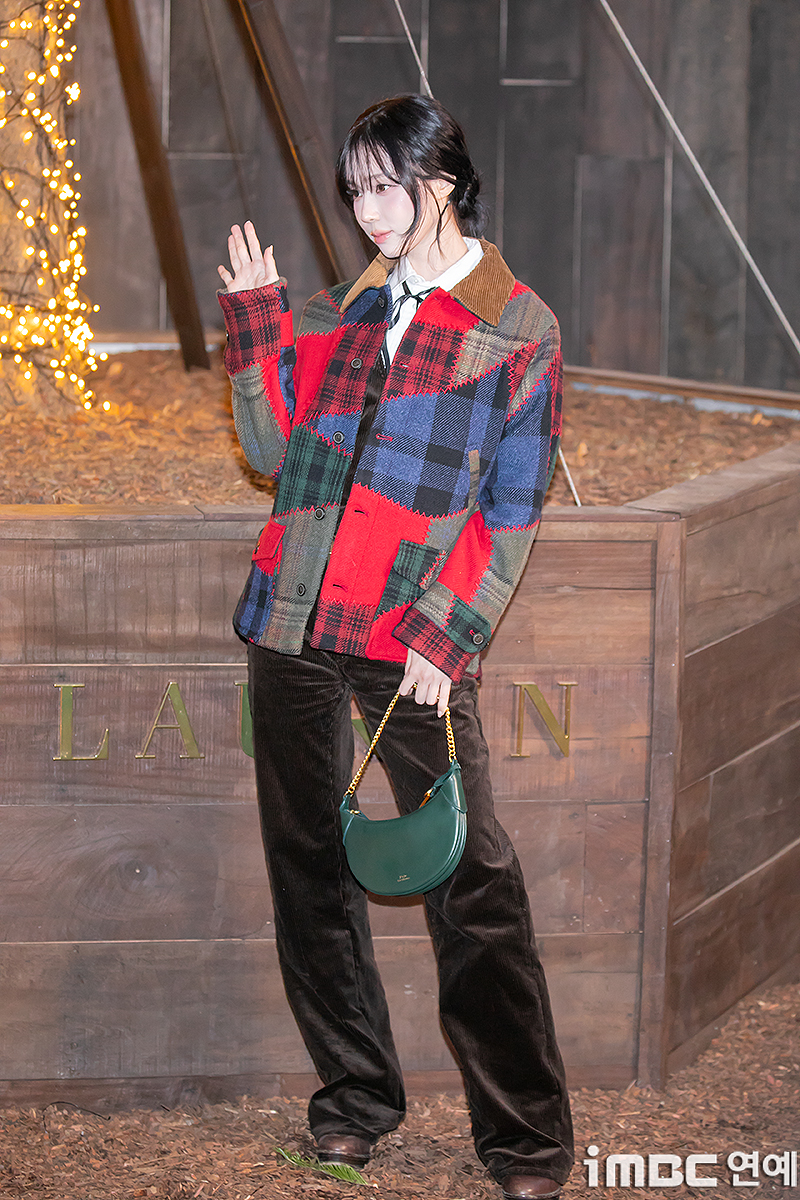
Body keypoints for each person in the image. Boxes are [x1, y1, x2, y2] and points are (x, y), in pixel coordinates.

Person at [217, 94, 573, 1200]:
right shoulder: (341, 310)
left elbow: (512, 506)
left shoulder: (517, 326)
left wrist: (447, 633)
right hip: (292, 622)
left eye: (387, 186)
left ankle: (525, 1139)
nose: (369, 211)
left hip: (406, 641)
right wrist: (259, 321)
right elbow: (270, 450)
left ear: (442, 182)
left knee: (472, 879)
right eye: (356, 190)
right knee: (308, 871)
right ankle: (354, 1103)